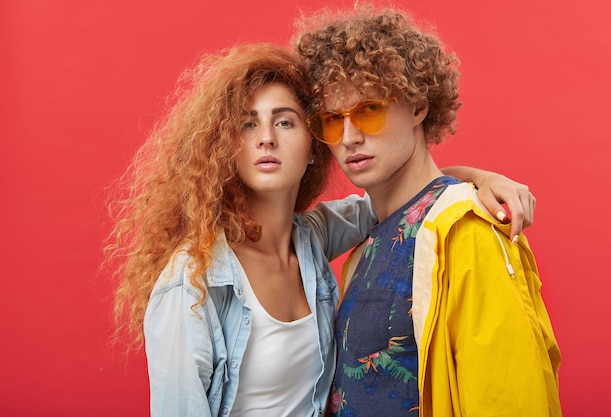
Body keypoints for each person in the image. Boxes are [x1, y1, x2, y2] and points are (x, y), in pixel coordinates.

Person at [105, 42, 538, 417]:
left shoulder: (311, 240)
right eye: (247, 123)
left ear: (313, 145)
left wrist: (481, 178)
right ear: (224, 147)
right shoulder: (194, 281)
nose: (266, 138)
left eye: (285, 121)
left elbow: (403, 197)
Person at [294, 5, 562, 417]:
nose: (349, 137)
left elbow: (508, 398)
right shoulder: (364, 244)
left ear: (418, 106)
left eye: (370, 109)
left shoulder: (468, 230)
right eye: (332, 120)